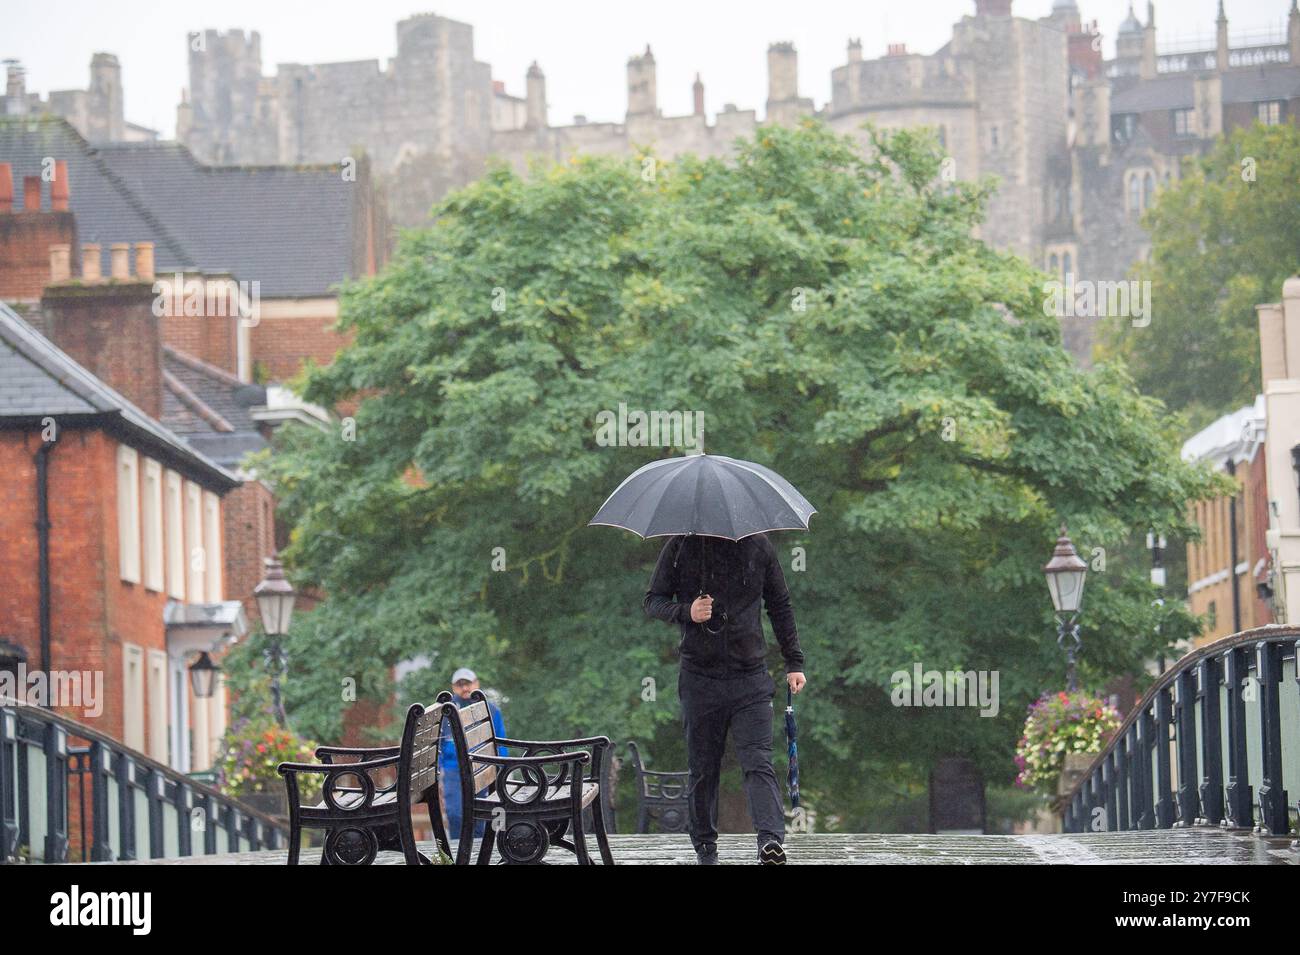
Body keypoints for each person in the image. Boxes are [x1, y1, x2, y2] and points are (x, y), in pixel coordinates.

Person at [644, 533, 806, 865]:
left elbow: (779, 604)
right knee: (703, 768)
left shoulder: (758, 546)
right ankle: (706, 849)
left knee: (758, 761)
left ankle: (770, 843)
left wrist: (794, 662)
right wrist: (686, 611)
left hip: (751, 677)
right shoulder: (681, 547)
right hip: (699, 679)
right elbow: (652, 600)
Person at [439, 667, 507, 841]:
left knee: (483, 817)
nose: (464, 688)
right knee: (455, 815)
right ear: (453, 687)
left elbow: (500, 742)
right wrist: (438, 772)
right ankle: (456, 851)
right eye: (460, 685)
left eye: (467, 683)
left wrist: (502, 770)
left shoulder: (491, 710)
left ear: (476, 684)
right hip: (453, 771)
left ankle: (480, 852)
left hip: (484, 768)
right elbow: (437, 746)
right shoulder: (446, 712)